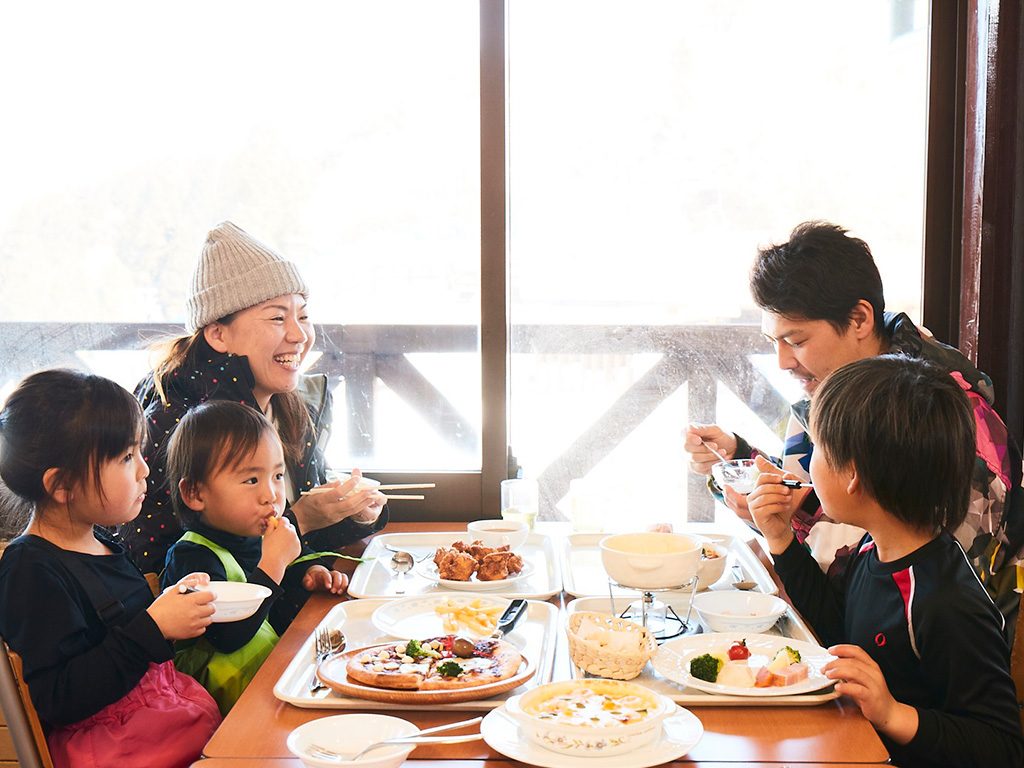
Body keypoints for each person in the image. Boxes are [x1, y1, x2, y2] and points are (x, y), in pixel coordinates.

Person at [684, 221, 1023, 627]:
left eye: (796, 341)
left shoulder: (943, 418)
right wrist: (740, 460)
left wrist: (789, 520)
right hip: (842, 630)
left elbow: (935, 598)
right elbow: (833, 496)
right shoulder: (841, 390)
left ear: (860, 319)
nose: (783, 362)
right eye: (772, 343)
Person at [748, 355, 1023, 767]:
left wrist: (893, 713)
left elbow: (1002, 747)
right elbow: (835, 630)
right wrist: (781, 537)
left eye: (819, 448)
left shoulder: (945, 603)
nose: (809, 463)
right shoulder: (873, 547)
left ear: (854, 475)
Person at [123, 221, 387, 575]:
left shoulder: (289, 402)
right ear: (218, 334)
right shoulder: (180, 418)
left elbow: (294, 542)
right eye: (278, 317)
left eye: (303, 315)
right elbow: (173, 568)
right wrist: (303, 519)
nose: (299, 335)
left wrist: (355, 516)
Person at [0, 369, 221, 768]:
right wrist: (154, 627)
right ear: (62, 485)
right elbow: (59, 697)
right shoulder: (30, 569)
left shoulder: (103, 541)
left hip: (163, 721)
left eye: (139, 452)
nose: (144, 470)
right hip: (118, 749)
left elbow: (127, 630)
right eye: (125, 457)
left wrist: (174, 604)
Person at [161, 400, 348, 714]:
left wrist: (311, 571)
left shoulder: (255, 537)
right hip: (223, 714)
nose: (271, 495)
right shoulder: (191, 557)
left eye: (276, 476)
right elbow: (228, 636)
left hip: (271, 687)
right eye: (251, 480)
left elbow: (283, 585)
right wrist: (274, 563)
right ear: (195, 494)